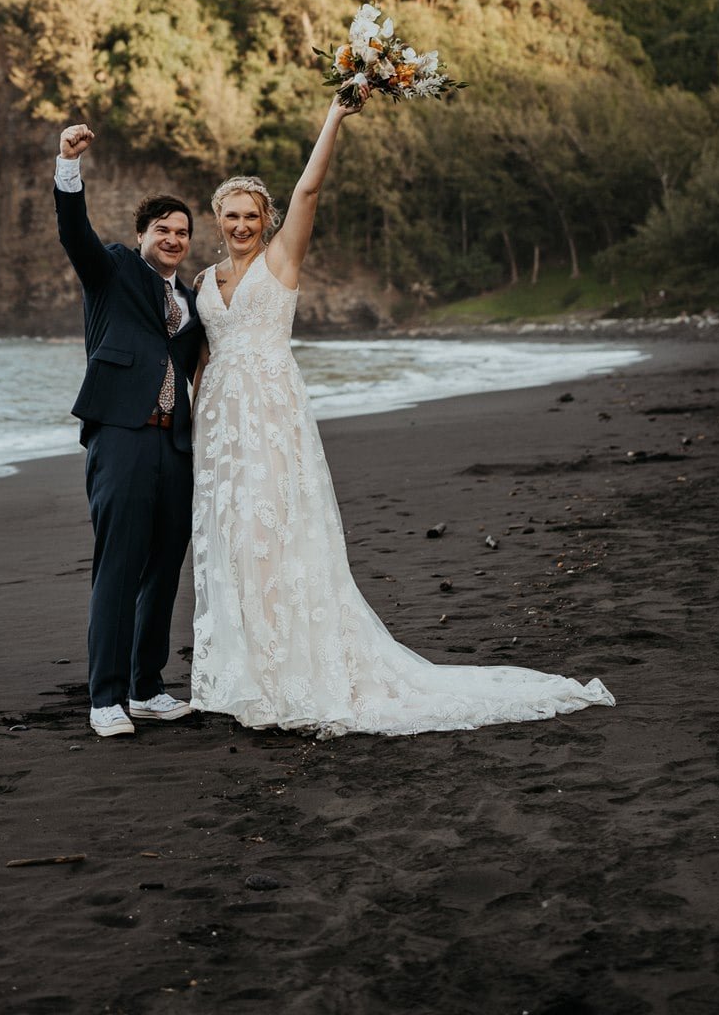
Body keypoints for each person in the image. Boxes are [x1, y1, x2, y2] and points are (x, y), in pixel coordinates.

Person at [190, 94, 615, 735]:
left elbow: (308, 190)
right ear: (216, 218)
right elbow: (199, 355)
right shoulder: (200, 280)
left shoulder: (281, 259)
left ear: (267, 219)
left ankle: (291, 672)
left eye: (252, 214)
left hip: (273, 414)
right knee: (230, 543)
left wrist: (334, 116)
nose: (241, 224)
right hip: (220, 423)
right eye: (231, 215)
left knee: (274, 535)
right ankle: (247, 668)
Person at [54, 123, 206, 739]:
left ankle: (147, 687)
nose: (172, 239)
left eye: (182, 232)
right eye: (162, 230)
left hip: (175, 441)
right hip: (120, 434)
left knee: (165, 564)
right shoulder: (112, 270)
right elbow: (74, 234)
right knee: (118, 564)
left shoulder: (193, 301)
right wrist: (68, 166)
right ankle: (106, 697)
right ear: (142, 235)